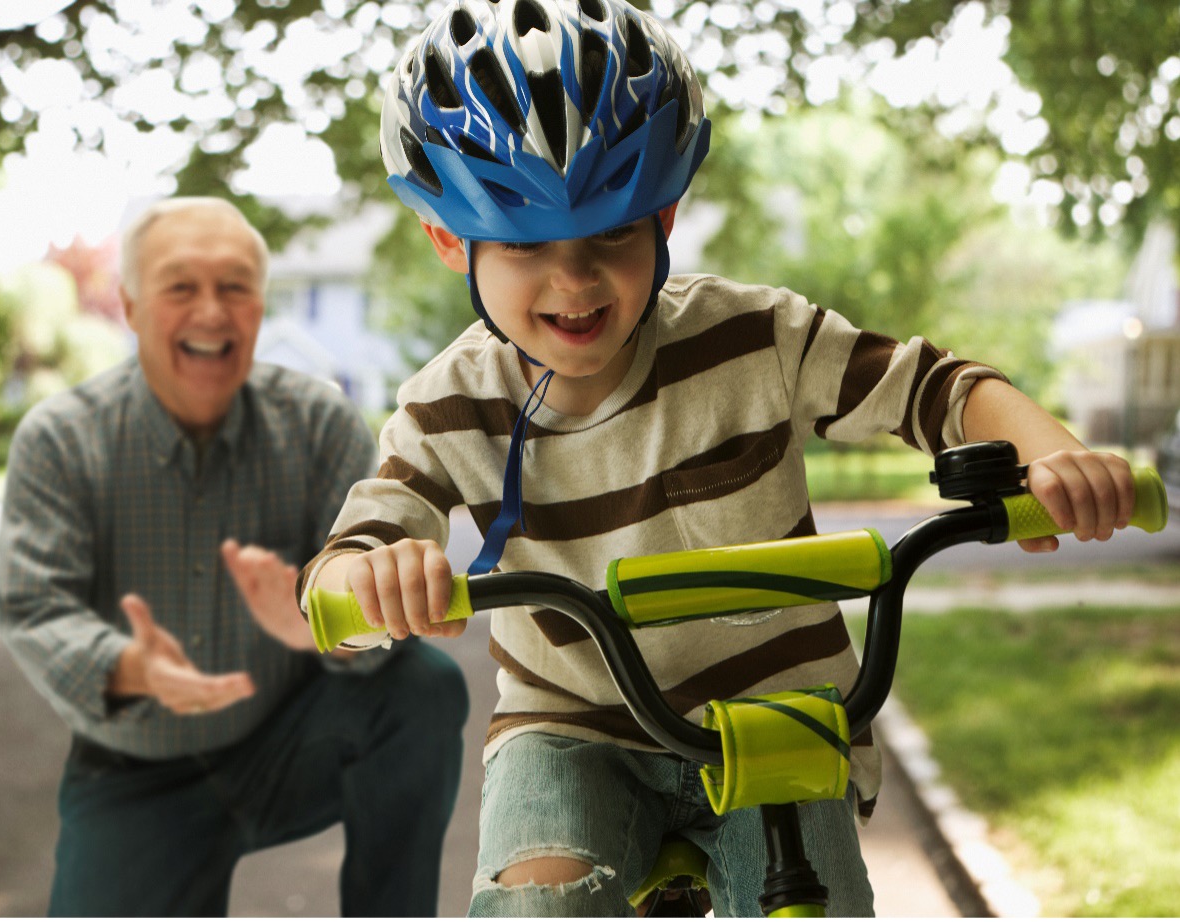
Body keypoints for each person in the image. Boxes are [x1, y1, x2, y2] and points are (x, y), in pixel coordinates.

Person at [292, 0, 1137, 916]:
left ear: (665, 215)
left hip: (780, 712)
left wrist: (1055, 454)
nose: (573, 281)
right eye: (528, 244)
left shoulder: (755, 335)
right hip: (575, 727)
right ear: (450, 238)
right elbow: (359, 548)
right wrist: (372, 579)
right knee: (539, 899)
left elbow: (933, 388)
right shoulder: (448, 404)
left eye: (612, 232)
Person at [0, 196, 469, 917]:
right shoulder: (61, 438)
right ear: (130, 305)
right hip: (134, 768)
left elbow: (368, 598)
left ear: (260, 306)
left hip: (289, 737)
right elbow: (34, 606)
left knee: (422, 688)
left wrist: (318, 629)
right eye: (181, 286)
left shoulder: (319, 422)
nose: (212, 311)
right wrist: (125, 667)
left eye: (235, 287)